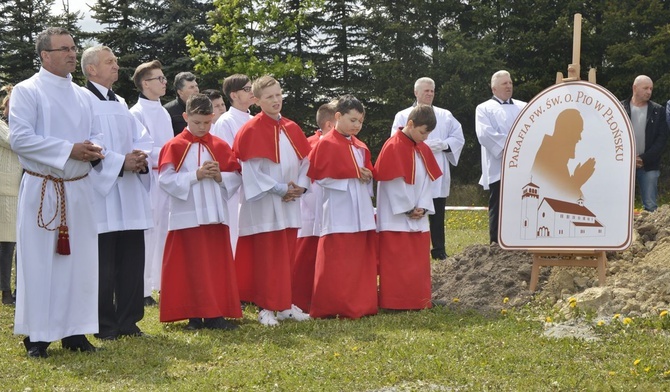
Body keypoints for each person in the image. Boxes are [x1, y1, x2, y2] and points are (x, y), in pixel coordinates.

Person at [10, 27, 105, 357]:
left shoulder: (83, 95)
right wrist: (68, 150)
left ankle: (75, 332)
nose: (72, 54)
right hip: (43, 187)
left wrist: (94, 150)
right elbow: (20, 139)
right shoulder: (27, 91)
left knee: (80, 262)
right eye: (64, 49)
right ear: (44, 55)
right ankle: (38, 336)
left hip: (78, 188)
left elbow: (96, 134)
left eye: (74, 48)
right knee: (40, 262)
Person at [81, 46, 153, 341]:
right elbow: (87, 143)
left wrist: (140, 156)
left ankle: (129, 321)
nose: (116, 65)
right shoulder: (82, 100)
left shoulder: (121, 101)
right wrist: (120, 162)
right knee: (104, 264)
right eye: (109, 62)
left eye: (116, 61)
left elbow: (142, 137)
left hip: (130, 191)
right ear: (92, 69)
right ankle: (104, 323)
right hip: (102, 193)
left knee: (131, 258)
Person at [158, 94, 243, 330]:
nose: (202, 127)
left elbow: (235, 177)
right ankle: (193, 316)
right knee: (190, 266)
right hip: (188, 215)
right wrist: (195, 175)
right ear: (185, 117)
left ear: (212, 118)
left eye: (206, 122)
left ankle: (216, 314)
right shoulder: (174, 145)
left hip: (215, 216)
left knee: (215, 265)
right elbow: (165, 180)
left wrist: (219, 176)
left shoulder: (220, 145)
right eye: (196, 122)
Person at [232, 75, 312, 326]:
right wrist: (279, 189)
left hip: (290, 201)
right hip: (266, 203)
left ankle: (285, 305)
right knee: (268, 255)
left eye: (278, 94)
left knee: (288, 252)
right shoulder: (251, 130)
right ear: (256, 100)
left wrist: (300, 186)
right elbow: (251, 170)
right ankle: (266, 307)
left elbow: (306, 161)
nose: (276, 100)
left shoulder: (292, 127)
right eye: (269, 97)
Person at [308, 95, 378, 319]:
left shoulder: (360, 146)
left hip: (360, 209)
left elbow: (367, 173)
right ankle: (334, 306)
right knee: (337, 261)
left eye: (360, 121)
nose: (357, 125)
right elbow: (321, 178)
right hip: (338, 209)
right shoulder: (326, 143)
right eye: (353, 120)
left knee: (358, 260)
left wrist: (367, 176)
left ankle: (360, 304)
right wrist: (353, 174)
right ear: (337, 117)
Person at [377, 104, 442, 310]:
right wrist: (407, 208)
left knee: (417, 263)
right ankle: (395, 302)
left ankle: (418, 300)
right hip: (396, 217)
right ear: (410, 124)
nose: (425, 137)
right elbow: (391, 182)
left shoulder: (422, 148)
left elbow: (427, 182)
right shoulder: (393, 145)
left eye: (429, 133)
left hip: (418, 216)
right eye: (423, 132)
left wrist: (422, 206)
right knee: (397, 262)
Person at [391, 77, 464, 261]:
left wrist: (444, 144)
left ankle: (439, 249)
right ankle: (414, 249)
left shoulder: (445, 115)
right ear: (416, 92)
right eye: (426, 91)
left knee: (438, 211)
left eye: (432, 91)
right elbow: (395, 140)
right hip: (415, 169)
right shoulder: (403, 115)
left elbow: (458, 137)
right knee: (415, 209)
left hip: (437, 168)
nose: (430, 94)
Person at [129, 60, 173, 307]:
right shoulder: (137, 112)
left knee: (164, 231)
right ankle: (143, 288)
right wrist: (170, 154)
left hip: (165, 177)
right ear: (145, 83)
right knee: (148, 233)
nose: (164, 82)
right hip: (148, 180)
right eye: (160, 79)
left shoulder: (163, 111)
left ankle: (161, 282)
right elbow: (141, 148)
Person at [293, 101, 336, 312]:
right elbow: (309, 182)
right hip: (312, 213)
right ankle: (301, 302)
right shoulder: (312, 145)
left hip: (326, 212)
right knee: (306, 260)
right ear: (330, 124)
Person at [475, 70, 526, 244]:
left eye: (510, 82)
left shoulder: (524, 106)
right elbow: (485, 134)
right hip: (499, 165)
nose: (509, 86)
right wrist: (513, 148)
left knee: (523, 203)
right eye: (504, 83)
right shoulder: (484, 108)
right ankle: (496, 243)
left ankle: (521, 240)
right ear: (494, 88)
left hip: (523, 166)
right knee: (499, 203)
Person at [210, 74, 256, 254]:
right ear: (234, 95)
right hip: (236, 188)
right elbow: (227, 158)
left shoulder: (254, 120)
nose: (252, 92)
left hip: (256, 186)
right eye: (247, 89)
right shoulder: (226, 121)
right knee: (236, 236)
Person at [622, 75, 668, 212]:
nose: (649, 91)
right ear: (634, 88)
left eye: (651, 89)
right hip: (623, 164)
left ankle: (651, 233)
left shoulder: (658, 110)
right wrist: (628, 158)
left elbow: (661, 139)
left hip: (649, 165)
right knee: (621, 203)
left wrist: (643, 158)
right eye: (645, 88)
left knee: (650, 205)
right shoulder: (620, 108)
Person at [531, 109, 596, 202]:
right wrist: (577, 181)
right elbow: (557, 200)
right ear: (568, 131)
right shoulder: (549, 158)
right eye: (578, 131)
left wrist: (575, 181)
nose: (579, 138)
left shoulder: (553, 155)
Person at [0, 84, 21, 305]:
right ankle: (6, 292)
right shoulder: (2, 126)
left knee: (16, 244)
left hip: (20, 188)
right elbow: (15, 142)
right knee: (7, 243)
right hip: (6, 191)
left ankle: (16, 289)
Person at [164, 72, 199, 136]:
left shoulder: (203, 107)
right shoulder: (167, 111)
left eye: (196, 86)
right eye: (191, 87)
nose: (196, 90)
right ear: (180, 92)